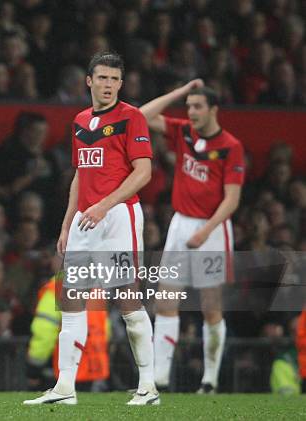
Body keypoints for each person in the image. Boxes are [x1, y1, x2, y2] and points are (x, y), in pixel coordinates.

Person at [24, 52, 158, 406]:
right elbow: (80, 175)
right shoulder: (80, 120)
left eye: (115, 79)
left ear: (121, 84)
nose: (108, 85)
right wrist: (67, 224)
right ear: (89, 81)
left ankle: (148, 387)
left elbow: (142, 173)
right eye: (102, 78)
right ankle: (65, 388)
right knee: (71, 302)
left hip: (119, 217)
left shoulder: (132, 118)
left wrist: (104, 205)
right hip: (86, 219)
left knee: (128, 302)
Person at [140, 80, 245, 393]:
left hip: (211, 230)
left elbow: (232, 199)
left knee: (210, 307)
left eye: (198, 106)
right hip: (180, 224)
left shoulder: (230, 146)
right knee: (165, 301)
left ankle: (209, 380)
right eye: (189, 106)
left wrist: (206, 230)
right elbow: (143, 116)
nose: (191, 111)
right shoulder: (183, 130)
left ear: (213, 110)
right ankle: (158, 379)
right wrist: (179, 92)